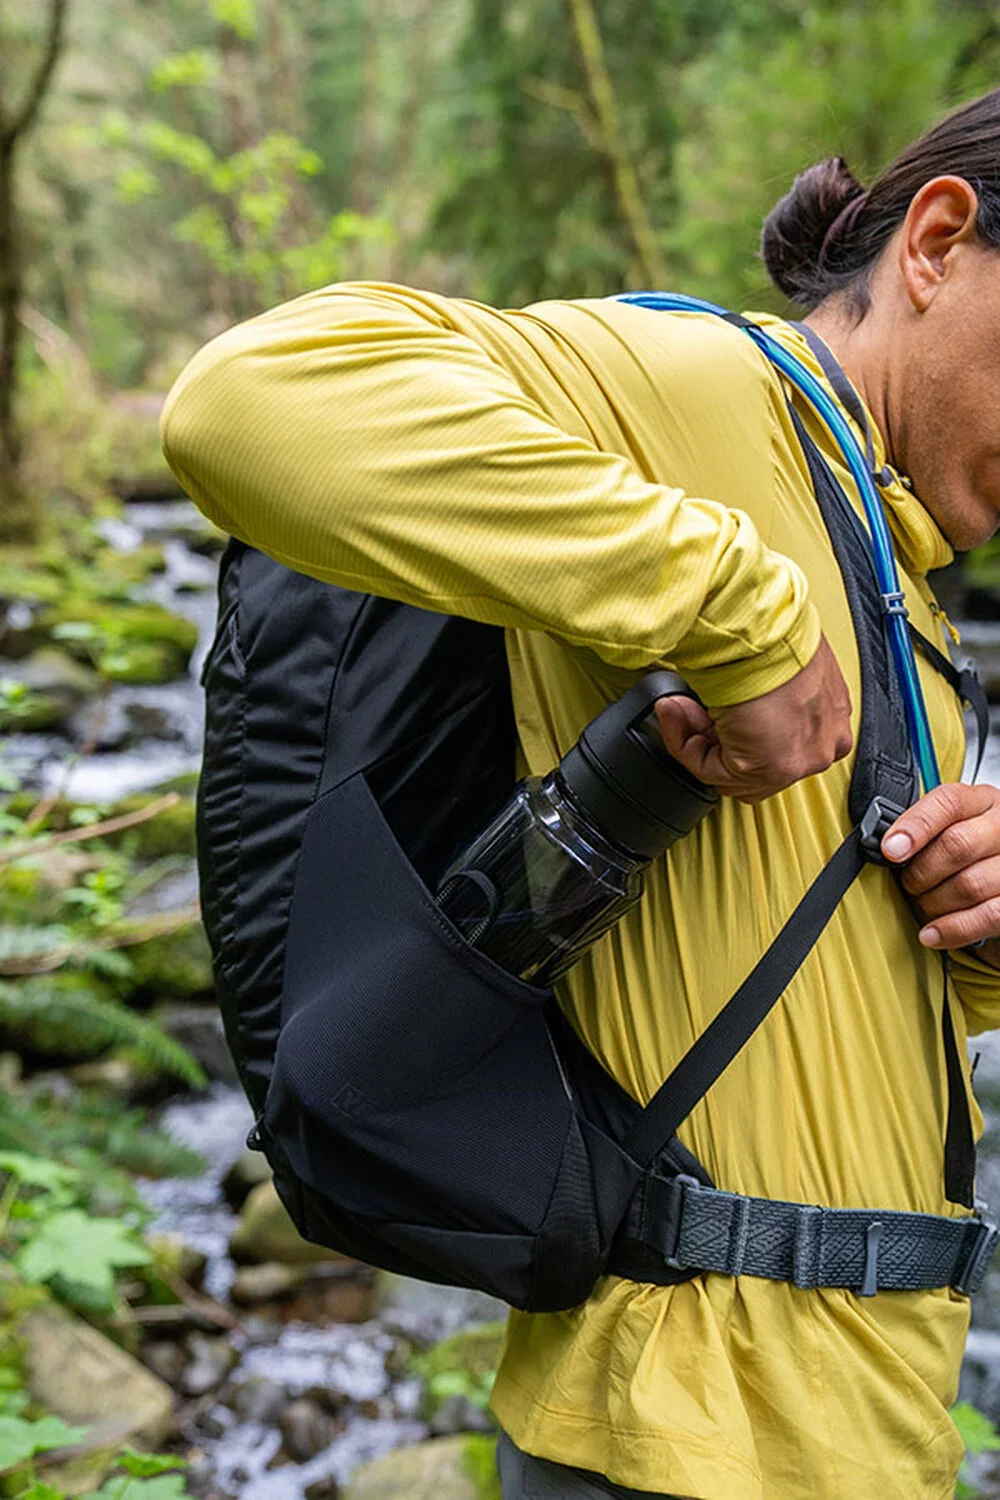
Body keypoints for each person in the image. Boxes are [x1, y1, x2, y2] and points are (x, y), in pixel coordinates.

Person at [161, 88, 1000, 1500]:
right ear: (936, 243)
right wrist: (730, 603)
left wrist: (979, 940)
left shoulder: (904, 589)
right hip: (674, 1436)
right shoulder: (699, 385)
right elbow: (247, 402)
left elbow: (813, 1005)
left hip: (872, 1434)